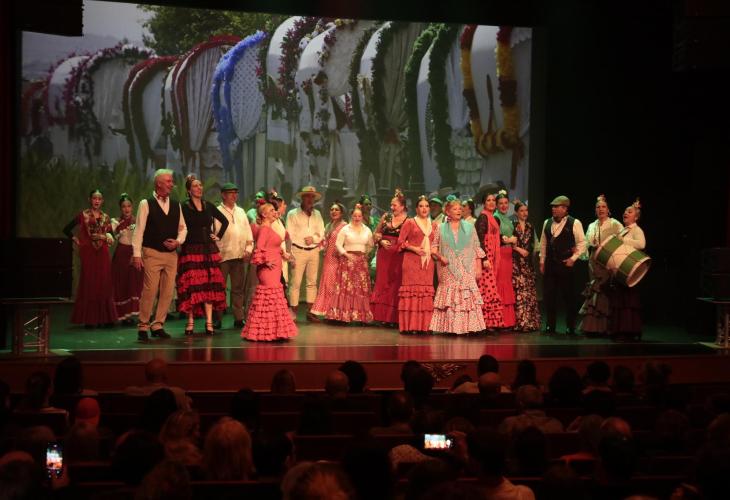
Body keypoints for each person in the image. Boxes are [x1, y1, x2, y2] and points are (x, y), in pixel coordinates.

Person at [132, 169, 187, 341]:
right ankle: (143, 326)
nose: (172, 184)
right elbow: (139, 230)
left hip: (171, 255)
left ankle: (158, 325)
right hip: (152, 252)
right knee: (150, 290)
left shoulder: (176, 204)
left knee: (167, 292)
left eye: (171, 181)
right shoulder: (146, 203)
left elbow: (183, 228)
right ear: (159, 184)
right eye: (169, 181)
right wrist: (136, 254)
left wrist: (178, 241)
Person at [176, 174, 228, 336]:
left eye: (200, 185)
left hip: (208, 250)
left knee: (208, 286)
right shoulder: (184, 207)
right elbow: (178, 225)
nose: (199, 188)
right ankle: (190, 321)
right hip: (191, 250)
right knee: (192, 287)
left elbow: (224, 221)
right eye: (195, 186)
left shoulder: (208, 205)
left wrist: (218, 236)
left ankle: (209, 322)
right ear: (189, 190)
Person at [241, 202, 298, 341]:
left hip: (275, 266)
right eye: (271, 210)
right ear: (264, 214)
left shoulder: (269, 228)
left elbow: (272, 246)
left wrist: (283, 253)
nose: (274, 212)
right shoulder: (265, 229)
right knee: (269, 296)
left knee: (273, 297)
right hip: (268, 269)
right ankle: (265, 332)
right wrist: (266, 260)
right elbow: (259, 247)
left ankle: (273, 331)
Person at [430, 199, 486, 335]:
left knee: (466, 297)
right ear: (447, 211)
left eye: (460, 209)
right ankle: (451, 328)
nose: (458, 211)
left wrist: (478, 268)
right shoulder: (441, 228)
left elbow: (476, 248)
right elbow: (433, 248)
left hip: (466, 267)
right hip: (447, 268)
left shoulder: (469, 227)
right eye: (455, 209)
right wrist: (440, 257)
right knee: (451, 299)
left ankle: (467, 327)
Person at [63, 189, 117, 327]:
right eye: (94, 198)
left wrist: (104, 236)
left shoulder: (105, 217)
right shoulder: (84, 215)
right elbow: (66, 229)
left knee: (104, 283)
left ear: (102, 201)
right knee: (89, 282)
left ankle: (105, 318)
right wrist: (75, 239)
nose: (97, 201)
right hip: (88, 252)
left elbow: (111, 236)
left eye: (99, 199)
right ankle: (90, 319)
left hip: (102, 253)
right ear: (90, 200)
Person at [539, 195, 586, 335]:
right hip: (550, 265)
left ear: (565, 208)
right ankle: (550, 325)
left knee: (569, 297)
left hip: (566, 264)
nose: (553, 209)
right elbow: (543, 243)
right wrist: (542, 261)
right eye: (552, 206)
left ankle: (570, 326)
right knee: (549, 296)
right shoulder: (547, 222)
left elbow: (582, 243)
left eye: (556, 206)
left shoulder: (574, 223)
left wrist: (573, 258)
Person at [579, 195, 623, 336]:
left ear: (608, 209)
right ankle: (593, 327)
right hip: (594, 262)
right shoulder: (592, 225)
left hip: (608, 262)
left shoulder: (615, 224)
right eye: (598, 207)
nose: (601, 209)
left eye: (603, 207)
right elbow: (586, 243)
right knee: (595, 292)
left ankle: (607, 327)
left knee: (605, 292)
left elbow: (622, 243)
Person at [214, 182, 253, 330]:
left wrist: (248, 249)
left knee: (238, 288)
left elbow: (248, 232)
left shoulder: (241, 211)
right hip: (222, 256)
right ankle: (217, 318)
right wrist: (216, 252)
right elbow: (213, 233)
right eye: (231, 193)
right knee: (219, 288)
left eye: (236, 193)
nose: (234, 195)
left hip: (238, 255)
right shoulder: (217, 211)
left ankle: (238, 317)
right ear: (223, 195)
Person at [326, 204, 374, 323]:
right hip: (347, 261)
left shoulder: (367, 230)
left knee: (360, 289)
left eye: (359, 216)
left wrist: (365, 254)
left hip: (361, 263)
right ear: (351, 216)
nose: (357, 218)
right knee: (346, 288)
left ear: (362, 217)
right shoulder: (345, 229)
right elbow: (338, 244)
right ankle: (343, 315)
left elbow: (371, 244)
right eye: (355, 216)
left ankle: (361, 316)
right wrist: (347, 254)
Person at [397, 195, 436, 334]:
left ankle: (424, 326)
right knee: (412, 294)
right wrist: (414, 248)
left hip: (427, 263)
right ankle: (410, 326)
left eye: (426, 206)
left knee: (425, 294)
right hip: (411, 262)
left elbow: (435, 244)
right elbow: (400, 242)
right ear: (416, 208)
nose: (424, 209)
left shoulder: (434, 225)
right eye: (421, 206)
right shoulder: (410, 222)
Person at [286, 186, 325, 322]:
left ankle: (311, 312)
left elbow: (321, 232)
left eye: (312, 197)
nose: (310, 199)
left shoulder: (317, 214)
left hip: (313, 251)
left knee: (312, 282)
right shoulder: (292, 214)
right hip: (298, 250)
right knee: (295, 283)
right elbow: (289, 235)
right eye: (307, 196)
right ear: (302, 198)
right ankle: (293, 312)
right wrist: (290, 254)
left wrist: (313, 239)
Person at [609, 198, 646, 341]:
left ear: (636, 217)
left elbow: (642, 244)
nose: (625, 213)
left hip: (630, 269)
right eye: (625, 211)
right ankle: (618, 329)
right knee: (620, 300)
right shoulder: (623, 231)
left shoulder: (637, 230)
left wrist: (623, 240)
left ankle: (629, 330)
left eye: (629, 211)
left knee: (628, 301)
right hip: (621, 269)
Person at [371, 188, 408, 326]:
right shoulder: (386, 217)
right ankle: (381, 316)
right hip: (384, 255)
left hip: (398, 256)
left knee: (395, 284)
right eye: (391, 205)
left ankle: (393, 318)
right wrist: (380, 240)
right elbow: (376, 234)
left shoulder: (408, 221)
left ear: (402, 206)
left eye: (395, 205)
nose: (392, 207)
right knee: (382, 282)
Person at [310, 202, 347, 318]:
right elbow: (324, 241)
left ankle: (333, 312)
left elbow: (347, 242)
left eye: (336, 210)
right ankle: (325, 311)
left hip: (338, 259)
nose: (334, 211)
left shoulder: (345, 226)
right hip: (328, 258)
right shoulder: (328, 225)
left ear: (342, 213)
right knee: (325, 284)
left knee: (333, 286)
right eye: (332, 209)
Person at [111, 193, 143, 324]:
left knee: (134, 284)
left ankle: (137, 314)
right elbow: (109, 234)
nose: (126, 209)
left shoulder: (137, 221)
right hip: (121, 255)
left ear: (132, 207)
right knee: (122, 284)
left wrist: (136, 254)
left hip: (134, 254)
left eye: (129, 206)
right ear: (120, 208)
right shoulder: (116, 222)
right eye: (124, 206)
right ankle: (124, 316)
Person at [475, 191, 504, 330]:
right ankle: (483, 322)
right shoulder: (483, 217)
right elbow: (479, 240)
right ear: (483, 203)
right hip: (485, 258)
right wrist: (484, 258)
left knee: (489, 288)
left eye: (493, 200)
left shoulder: (494, 218)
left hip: (492, 256)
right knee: (486, 288)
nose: (491, 202)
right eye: (488, 200)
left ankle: (489, 322)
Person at [512, 200, 541, 332]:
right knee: (519, 291)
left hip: (528, 264)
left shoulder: (530, 226)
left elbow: (535, 245)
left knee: (529, 293)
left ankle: (530, 322)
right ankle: (519, 322)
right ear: (516, 213)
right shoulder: (513, 225)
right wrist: (519, 249)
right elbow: (509, 243)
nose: (524, 213)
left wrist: (533, 256)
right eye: (521, 211)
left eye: (526, 210)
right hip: (516, 263)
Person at [494, 190, 517, 329]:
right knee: (500, 284)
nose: (504, 206)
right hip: (501, 254)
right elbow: (496, 237)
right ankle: (499, 319)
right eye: (501, 203)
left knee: (506, 284)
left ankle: (508, 320)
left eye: (506, 203)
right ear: (496, 205)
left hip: (509, 254)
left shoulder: (508, 219)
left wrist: (513, 239)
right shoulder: (496, 217)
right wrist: (508, 239)